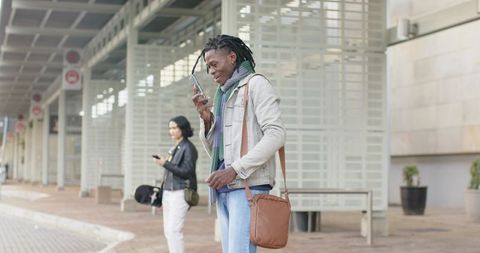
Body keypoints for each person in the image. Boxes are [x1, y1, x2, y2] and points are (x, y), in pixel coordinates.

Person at [192, 34, 286, 253]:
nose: (211, 71)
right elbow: (215, 150)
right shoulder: (221, 95)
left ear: (232, 57)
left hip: (248, 187)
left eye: (214, 64)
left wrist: (234, 170)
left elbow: (276, 134)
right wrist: (207, 120)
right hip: (225, 188)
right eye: (208, 67)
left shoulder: (256, 84)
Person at [153, 115, 198, 253]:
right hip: (169, 192)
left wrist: (165, 163)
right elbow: (174, 170)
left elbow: (187, 172)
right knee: (168, 231)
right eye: (170, 128)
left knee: (174, 230)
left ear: (182, 128)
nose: (171, 131)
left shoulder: (188, 148)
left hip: (180, 192)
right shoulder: (176, 147)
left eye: (174, 128)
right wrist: (166, 163)